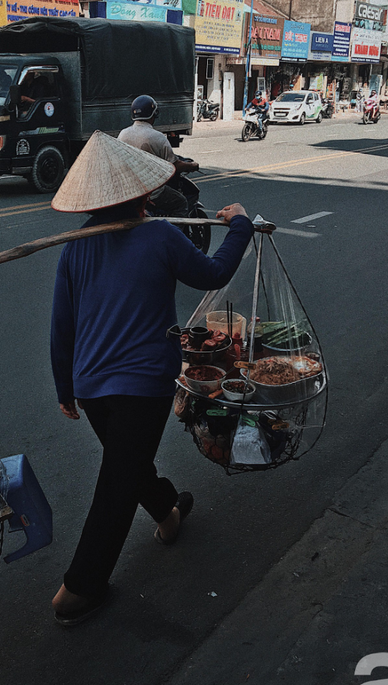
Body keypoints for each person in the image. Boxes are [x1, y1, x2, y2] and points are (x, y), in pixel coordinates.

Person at [49, 131, 254, 625]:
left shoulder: (77, 247)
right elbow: (212, 273)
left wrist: (64, 388)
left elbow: (62, 327)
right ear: (144, 192)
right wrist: (241, 226)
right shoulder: (161, 234)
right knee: (118, 479)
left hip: (92, 386)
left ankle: (167, 514)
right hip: (142, 387)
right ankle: (79, 589)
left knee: (128, 463)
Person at [118, 95, 199, 219]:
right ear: (154, 114)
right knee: (181, 203)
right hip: (151, 192)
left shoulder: (123, 134)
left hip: (130, 190)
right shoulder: (157, 137)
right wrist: (192, 166)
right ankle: (175, 236)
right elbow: (174, 165)